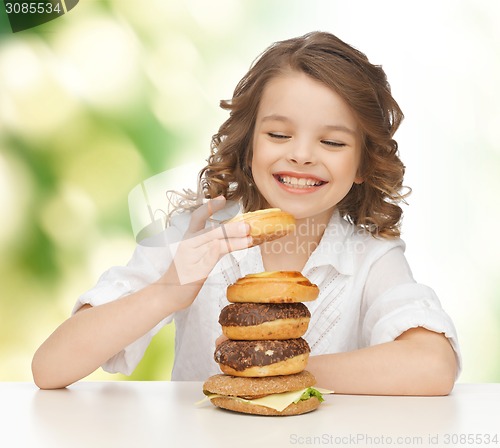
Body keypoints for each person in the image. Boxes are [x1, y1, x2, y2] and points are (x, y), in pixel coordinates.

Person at [32, 31, 460, 394]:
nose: (302, 155)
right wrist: (168, 290)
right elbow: (50, 368)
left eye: (332, 142)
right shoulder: (194, 236)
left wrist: (279, 369)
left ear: (365, 165)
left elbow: (434, 365)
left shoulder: (370, 258)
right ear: (249, 141)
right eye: (278, 133)